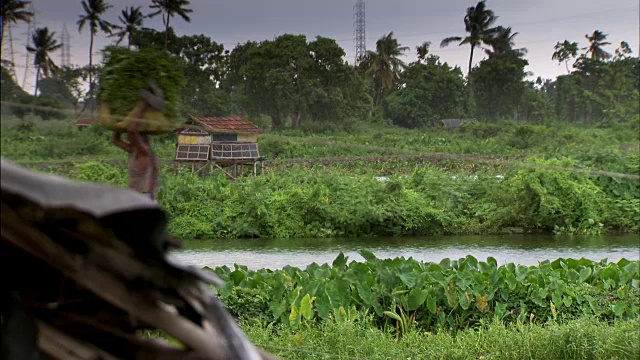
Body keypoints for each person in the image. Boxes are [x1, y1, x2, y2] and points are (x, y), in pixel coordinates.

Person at [112, 80, 164, 201]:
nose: (128, 141)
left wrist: (142, 105)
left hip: (143, 199)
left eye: (132, 140)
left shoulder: (144, 152)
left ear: (139, 140)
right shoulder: (134, 150)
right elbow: (115, 140)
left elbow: (131, 130)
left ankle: (153, 98)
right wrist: (120, 120)